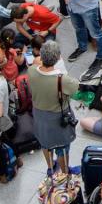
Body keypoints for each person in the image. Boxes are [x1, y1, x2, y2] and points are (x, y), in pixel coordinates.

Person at [29, 40, 78, 172]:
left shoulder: (31, 71)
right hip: (57, 119)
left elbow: (36, 63)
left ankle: (50, 168)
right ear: (58, 58)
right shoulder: (62, 80)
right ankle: (65, 171)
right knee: (62, 147)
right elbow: (75, 88)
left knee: (45, 143)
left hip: (39, 116)